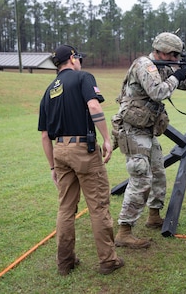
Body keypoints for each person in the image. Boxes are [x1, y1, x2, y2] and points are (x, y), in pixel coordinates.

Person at [111, 32, 186, 249]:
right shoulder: (145, 65)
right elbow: (158, 92)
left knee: (158, 174)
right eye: (174, 55)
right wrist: (177, 74)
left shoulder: (161, 67)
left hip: (147, 130)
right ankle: (124, 231)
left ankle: (153, 217)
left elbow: (182, 83)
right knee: (140, 179)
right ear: (164, 51)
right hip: (134, 131)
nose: (176, 60)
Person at [38, 44, 124, 276]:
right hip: (83, 150)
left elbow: (45, 135)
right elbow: (94, 105)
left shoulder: (48, 91)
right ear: (73, 58)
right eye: (79, 58)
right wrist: (107, 139)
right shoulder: (83, 77)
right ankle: (108, 260)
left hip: (60, 151)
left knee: (66, 208)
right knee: (98, 206)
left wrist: (52, 167)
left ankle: (65, 263)